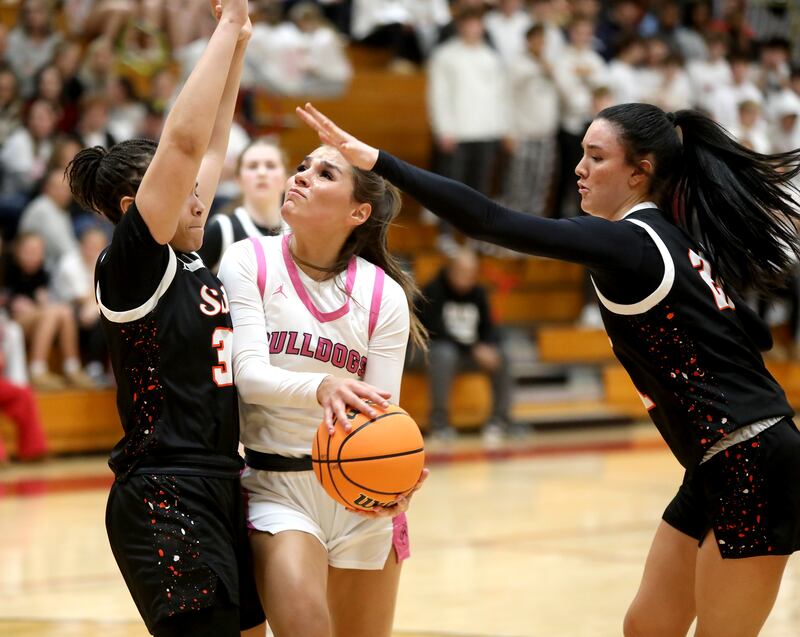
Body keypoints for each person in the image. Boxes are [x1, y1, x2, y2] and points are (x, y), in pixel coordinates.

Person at [296, 101, 800, 636]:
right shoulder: (673, 240)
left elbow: (490, 221)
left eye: (595, 156)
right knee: (648, 626)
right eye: (581, 153)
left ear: (639, 171)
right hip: (719, 458)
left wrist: (380, 162)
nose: (578, 168)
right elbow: (755, 332)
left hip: (751, 460)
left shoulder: (630, 241)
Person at [65, 2, 266, 635]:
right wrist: (223, 29)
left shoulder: (189, 251)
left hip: (222, 481)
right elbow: (182, 143)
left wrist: (237, 48)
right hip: (164, 492)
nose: (200, 192)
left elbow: (208, 146)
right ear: (135, 208)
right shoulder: (129, 268)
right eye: (183, 188)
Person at [217, 141, 429, 637]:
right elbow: (247, 374)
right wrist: (323, 386)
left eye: (325, 173)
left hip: (362, 493)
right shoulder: (249, 261)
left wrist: (397, 474)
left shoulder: (383, 294)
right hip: (277, 486)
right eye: (302, 166)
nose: (303, 176)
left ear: (359, 211)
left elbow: (382, 414)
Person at [418, 248, 514, 441]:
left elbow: (489, 327)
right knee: (445, 354)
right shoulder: (433, 290)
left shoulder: (478, 293)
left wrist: (488, 346)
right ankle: (439, 423)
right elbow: (434, 331)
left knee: (501, 355)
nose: (467, 278)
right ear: (451, 269)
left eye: (471, 273)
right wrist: (473, 348)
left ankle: (500, 420)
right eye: (462, 272)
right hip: (432, 354)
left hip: (467, 354)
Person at [197, 138, 287, 273]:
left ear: (286, 178)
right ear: (238, 180)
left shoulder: (297, 231)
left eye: (270, 166)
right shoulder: (222, 229)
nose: (262, 173)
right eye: (252, 166)